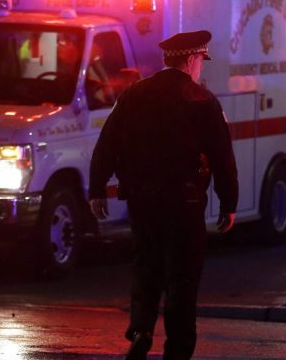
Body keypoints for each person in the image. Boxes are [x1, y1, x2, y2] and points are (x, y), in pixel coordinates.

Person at [88, 30, 239, 360]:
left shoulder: (134, 94)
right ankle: (178, 349)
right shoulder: (201, 99)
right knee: (182, 275)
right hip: (184, 205)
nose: (201, 67)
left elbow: (107, 143)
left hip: (142, 201)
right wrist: (229, 203)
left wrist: (97, 188)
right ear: (190, 59)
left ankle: (141, 330)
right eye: (201, 60)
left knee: (146, 266)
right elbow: (222, 156)